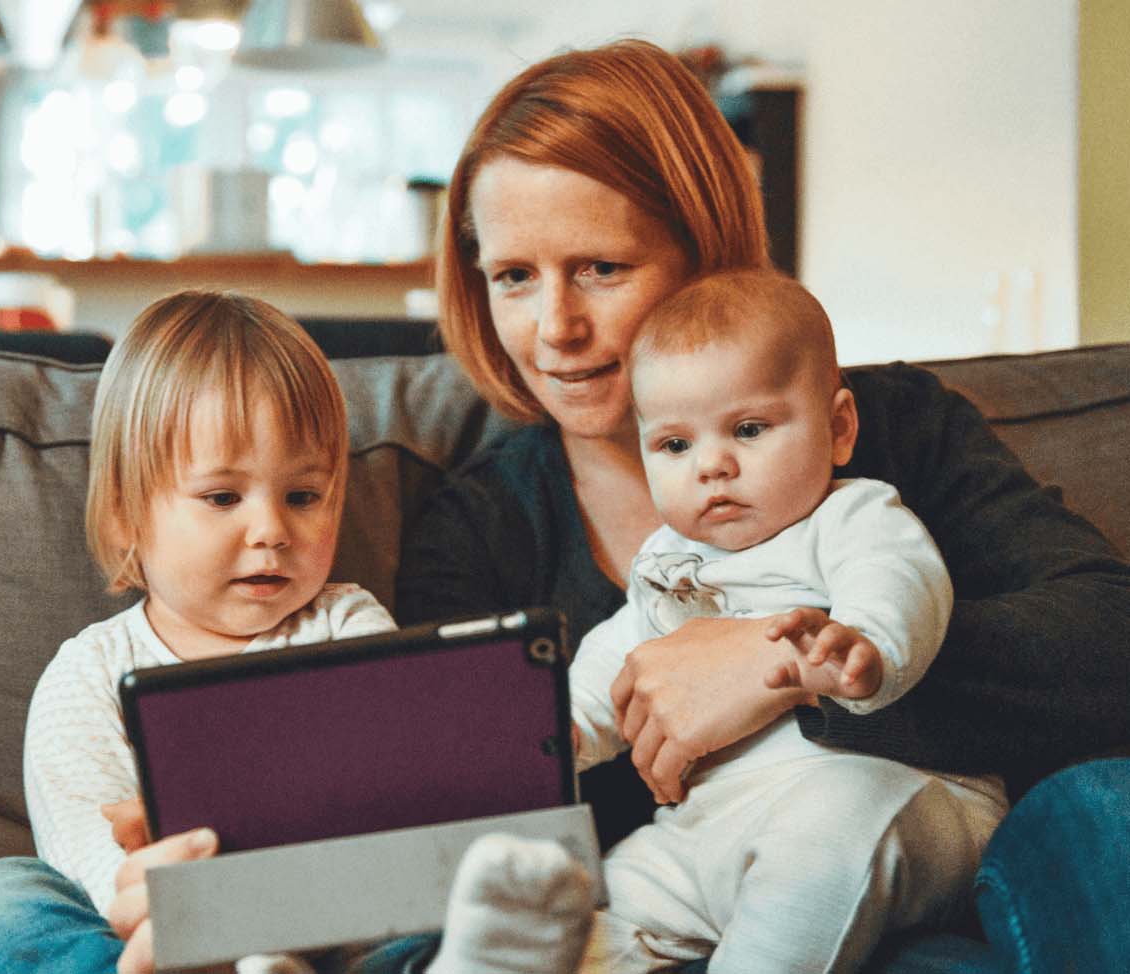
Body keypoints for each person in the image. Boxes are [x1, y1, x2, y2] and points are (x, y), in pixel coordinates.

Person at [389, 34, 1130, 974]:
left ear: (705, 253)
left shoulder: (891, 431)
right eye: (514, 277)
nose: (556, 329)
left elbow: (1110, 637)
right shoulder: (478, 527)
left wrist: (778, 660)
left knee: (1102, 810)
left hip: (932, 887)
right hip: (662, 919)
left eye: (601, 268)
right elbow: (458, 827)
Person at [0, 290, 405, 974]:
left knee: (453, 912)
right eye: (221, 498)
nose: (271, 530)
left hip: (335, 935)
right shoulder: (89, 674)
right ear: (125, 515)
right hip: (150, 942)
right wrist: (185, 923)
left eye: (303, 496)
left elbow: (396, 808)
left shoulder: (348, 627)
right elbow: (96, 867)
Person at [567, 268, 1007, 972]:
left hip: (887, 793)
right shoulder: (666, 561)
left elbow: (900, 577)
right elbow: (617, 659)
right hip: (711, 824)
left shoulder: (850, 514)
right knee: (600, 904)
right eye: (674, 445)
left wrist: (866, 641)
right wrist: (559, 733)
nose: (712, 465)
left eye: (747, 429)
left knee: (822, 842)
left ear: (838, 428)